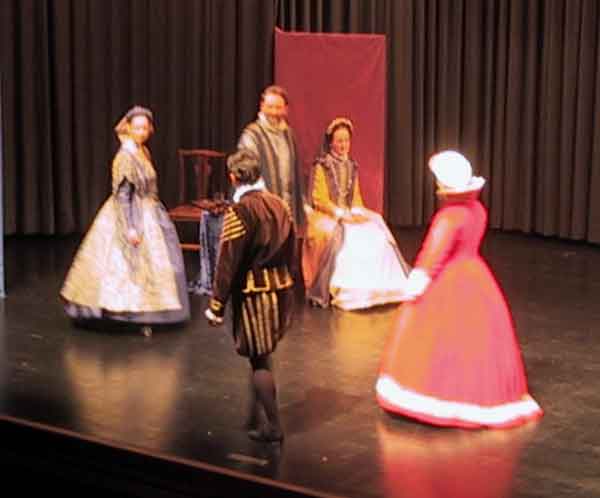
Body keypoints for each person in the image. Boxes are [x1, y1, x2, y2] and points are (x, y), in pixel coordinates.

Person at [376, 150, 543, 428]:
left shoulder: (449, 218)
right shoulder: (477, 210)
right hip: (475, 272)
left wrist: (417, 282)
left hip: (451, 278)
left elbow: (434, 254)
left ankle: (441, 395)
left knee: (437, 340)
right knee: (478, 339)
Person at [60, 106, 190, 335]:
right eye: (137, 128)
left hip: (150, 210)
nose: (142, 132)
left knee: (159, 265)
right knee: (125, 265)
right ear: (128, 128)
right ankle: (128, 314)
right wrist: (129, 227)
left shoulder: (142, 151)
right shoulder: (125, 156)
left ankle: (152, 313)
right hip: (130, 213)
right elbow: (122, 196)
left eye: (145, 128)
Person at [204, 149, 297, 443]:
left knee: (258, 360)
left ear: (233, 177)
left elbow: (228, 261)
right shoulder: (280, 204)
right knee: (262, 355)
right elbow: (292, 249)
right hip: (280, 289)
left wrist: (216, 305)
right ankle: (255, 416)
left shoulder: (241, 211)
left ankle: (274, 427)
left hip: (255, 294)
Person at [302, 117, 411, 310]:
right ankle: (345, 289)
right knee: (343, 240)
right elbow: (319, 199)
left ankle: (376, 287)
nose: (343, 145)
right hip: (327, 214)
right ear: (331, 142)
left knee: (376, 233)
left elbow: (356, 197)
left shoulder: (352, 165)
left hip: (348, 213)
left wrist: (357, 212)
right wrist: (339, 213)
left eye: (346, 140)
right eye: (339, 141)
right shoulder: (323, 165)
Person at [237, 85, 304, 230]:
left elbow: (295, 176)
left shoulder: (289, 135)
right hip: (262, 211)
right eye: (270, 107)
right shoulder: (251, 135)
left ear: (286, 109)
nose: (274, 112)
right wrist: (270, 204)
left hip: (287, 208)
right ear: (262, 107)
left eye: (278, 107)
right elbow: (248, 175)